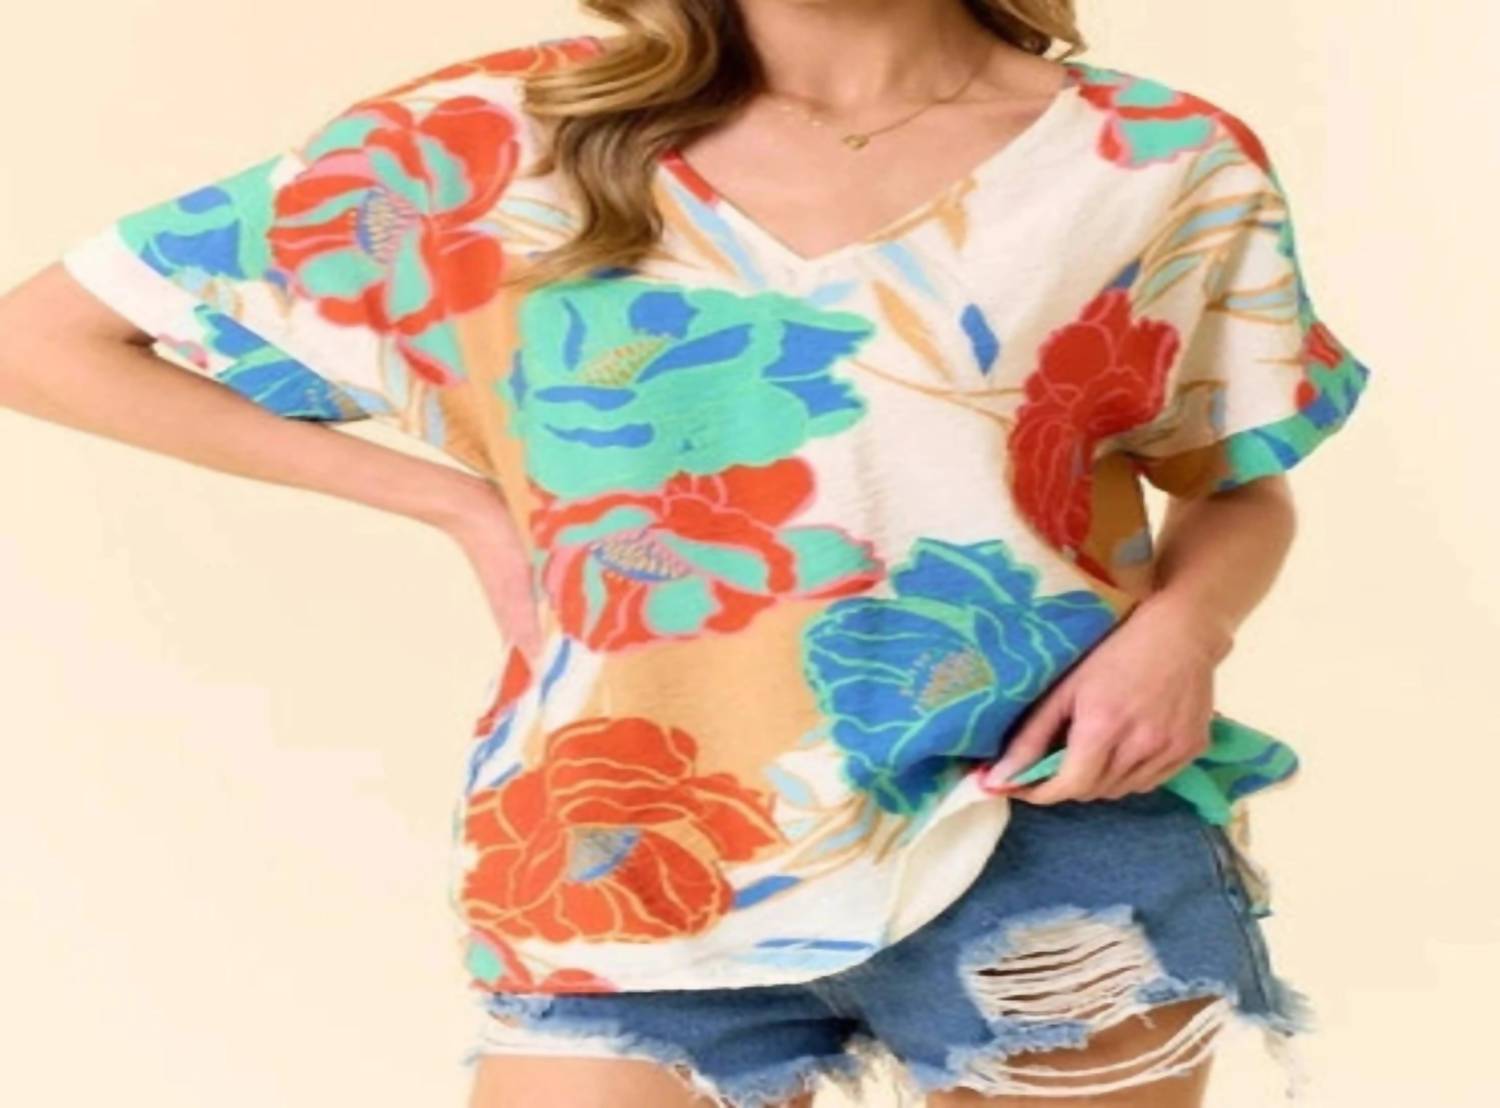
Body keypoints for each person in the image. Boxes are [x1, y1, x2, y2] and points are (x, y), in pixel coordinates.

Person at [0, 1, 1373, 1105]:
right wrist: (460, 507)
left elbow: (1238, 484)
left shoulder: (1154, 158)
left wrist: (1186, 632)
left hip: (1043, 823)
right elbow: (45, 339)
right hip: (631, 843)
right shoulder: (486, 141)